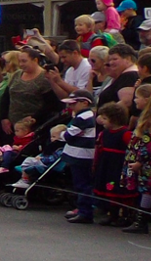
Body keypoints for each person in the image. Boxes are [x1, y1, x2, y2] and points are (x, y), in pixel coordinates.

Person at [121, 84, 151, 234]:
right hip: (145, 161)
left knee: (149, 189)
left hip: (150, 163)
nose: (135, 100)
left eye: (137, 97)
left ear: (147, 99)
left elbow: (150, 144)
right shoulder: (144, 118)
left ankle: (142, 221)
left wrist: (140, 161)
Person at [93, 102, 135, 227]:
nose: (102, 121)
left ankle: (125, 215)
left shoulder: (125, 134)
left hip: (118, 165)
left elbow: (132, 150)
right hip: (106, 165)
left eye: (105, 118)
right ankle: (113, 214)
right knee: (109, 190)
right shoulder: (104, 133)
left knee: (120, 190)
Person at [61, 90, 97, 224]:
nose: (71, 107)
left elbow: (68, 136)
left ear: (84, 103)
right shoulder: (81, 116)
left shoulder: (83, 117)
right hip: (76, 154)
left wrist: (61, 134)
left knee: (83, 184)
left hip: (81, 156)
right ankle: (81, 208)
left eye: (74, 104)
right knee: (79, 183)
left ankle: (85, 212)